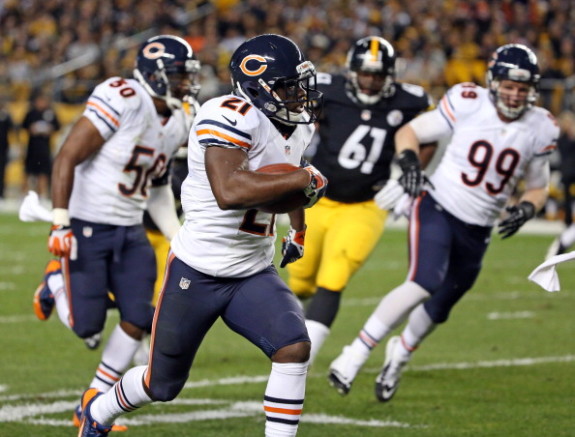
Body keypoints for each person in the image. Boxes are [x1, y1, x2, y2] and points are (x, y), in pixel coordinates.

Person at [76, 33, 327, 437]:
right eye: (286, 86)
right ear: (257, 87)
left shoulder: (298, 126)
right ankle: (98, 411)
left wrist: (298, 228)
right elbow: (230, 192)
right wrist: (304, 178)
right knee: (161, 385)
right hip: (198, 270)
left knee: (294, 347)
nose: (298, 94)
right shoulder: (229, 114)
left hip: (252, 270)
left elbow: (289, 177)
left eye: (298, 84)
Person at [327, 43, 559, 401]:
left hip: (479, 227)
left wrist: (527, 208)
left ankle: (399, 355)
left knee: (439, 308)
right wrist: (409, 164)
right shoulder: (469, 101)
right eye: (509, 86)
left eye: (522, 88)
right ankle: (354, 354)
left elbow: (538, 186)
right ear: (493, 82)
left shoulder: (542, 127)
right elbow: (410, 132)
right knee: (424, 281)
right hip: (438, 205)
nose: (515, 94)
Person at [33, 34, 201, 429]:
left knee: (139, 317)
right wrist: (60, 221)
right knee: (86, 326)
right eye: (178, 75)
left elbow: (157, 186)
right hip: (88, 225)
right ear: (154, 75)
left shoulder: (179, 118)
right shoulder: (124, 97)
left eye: (187, 75)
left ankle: (92, 399)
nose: (186, 83)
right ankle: (55, 280)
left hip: (130, 229)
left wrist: (177, 235)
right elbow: (67, 156)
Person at [285, 36, 434, 365]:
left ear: (390, 75)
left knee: (334, 276)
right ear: (352, 71)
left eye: (377, 75)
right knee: (301, 278)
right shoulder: (327, 90)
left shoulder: (410, 101)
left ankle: (301, 361)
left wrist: (407, 173)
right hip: (318, 199)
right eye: (365, 73)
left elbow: (430, 135)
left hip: (366, 204)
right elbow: (296, 119)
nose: (370, 81)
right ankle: (292, 331)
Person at [546, 110, 575, 258]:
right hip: (569, 177)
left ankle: (562, 243)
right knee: (568, 211)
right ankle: (562, 243)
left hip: (569, 176)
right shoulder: (562, 140)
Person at [21, 92, 60, 200]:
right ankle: (24, 194)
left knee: (43, 172)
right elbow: (24, 126)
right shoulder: (31, 113)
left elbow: (57, 127)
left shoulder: (50, 113)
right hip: (32, 148)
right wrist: (32, 128)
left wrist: (49, 129)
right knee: (28, 171)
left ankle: (42, 194)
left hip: (45, 148)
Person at [0, 98, 15, 202]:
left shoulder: (5, 116)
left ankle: (1, 193)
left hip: (3, 149)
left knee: (2, 172)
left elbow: (13, 128)